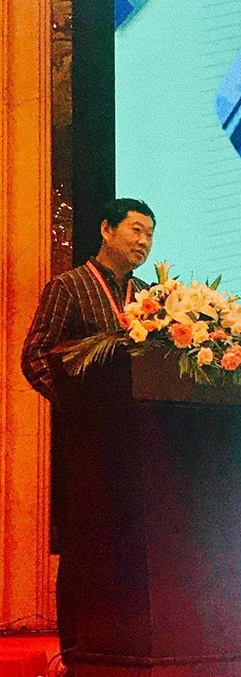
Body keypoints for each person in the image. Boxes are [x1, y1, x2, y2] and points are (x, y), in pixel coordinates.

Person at [21, 197, 156, 666]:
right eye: (136, 230)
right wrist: (77, 409)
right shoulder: (69, 287)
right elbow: (35, 356)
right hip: (87, 445)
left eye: (150, 235)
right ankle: (77, 655)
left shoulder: (150, 297)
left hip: (141, 447)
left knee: (134, 544)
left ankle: (128, 651)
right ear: (106, 229)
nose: (144, 242)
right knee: (84, 547)